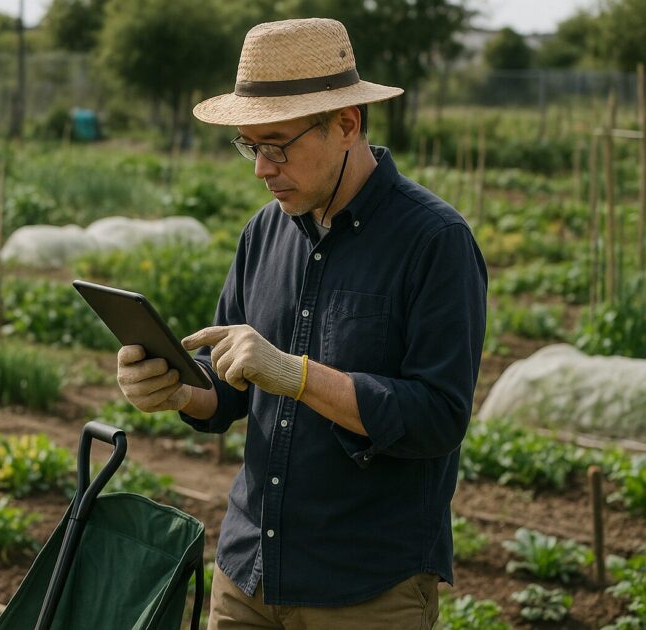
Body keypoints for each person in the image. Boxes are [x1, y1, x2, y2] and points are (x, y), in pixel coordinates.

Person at [116, 18, 487, 629]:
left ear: (347, 125)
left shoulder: (434, 241)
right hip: (247, 574)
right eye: (249, 146)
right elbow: (230, 388)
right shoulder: (263, 232)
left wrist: (296, 375)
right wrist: (181, 388)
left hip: (365, 589)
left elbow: (438, 417)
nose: (261, 169)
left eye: (277, 145)